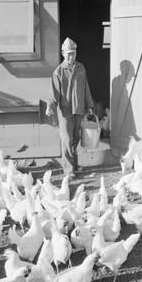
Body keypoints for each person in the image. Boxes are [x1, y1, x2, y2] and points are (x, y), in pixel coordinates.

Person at [46, 37, 94, 179]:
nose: (71, 56)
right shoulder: (58, 72)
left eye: (73, 53)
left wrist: (89, 106)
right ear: (63, 53)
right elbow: (53, 92)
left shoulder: (81, 68)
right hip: (65, 111)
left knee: (76, 138)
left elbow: (86, 88)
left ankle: (75, 164)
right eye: (68, 53)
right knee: (67, 139)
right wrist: (50, 106)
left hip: (78, 108)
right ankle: (68, 170)